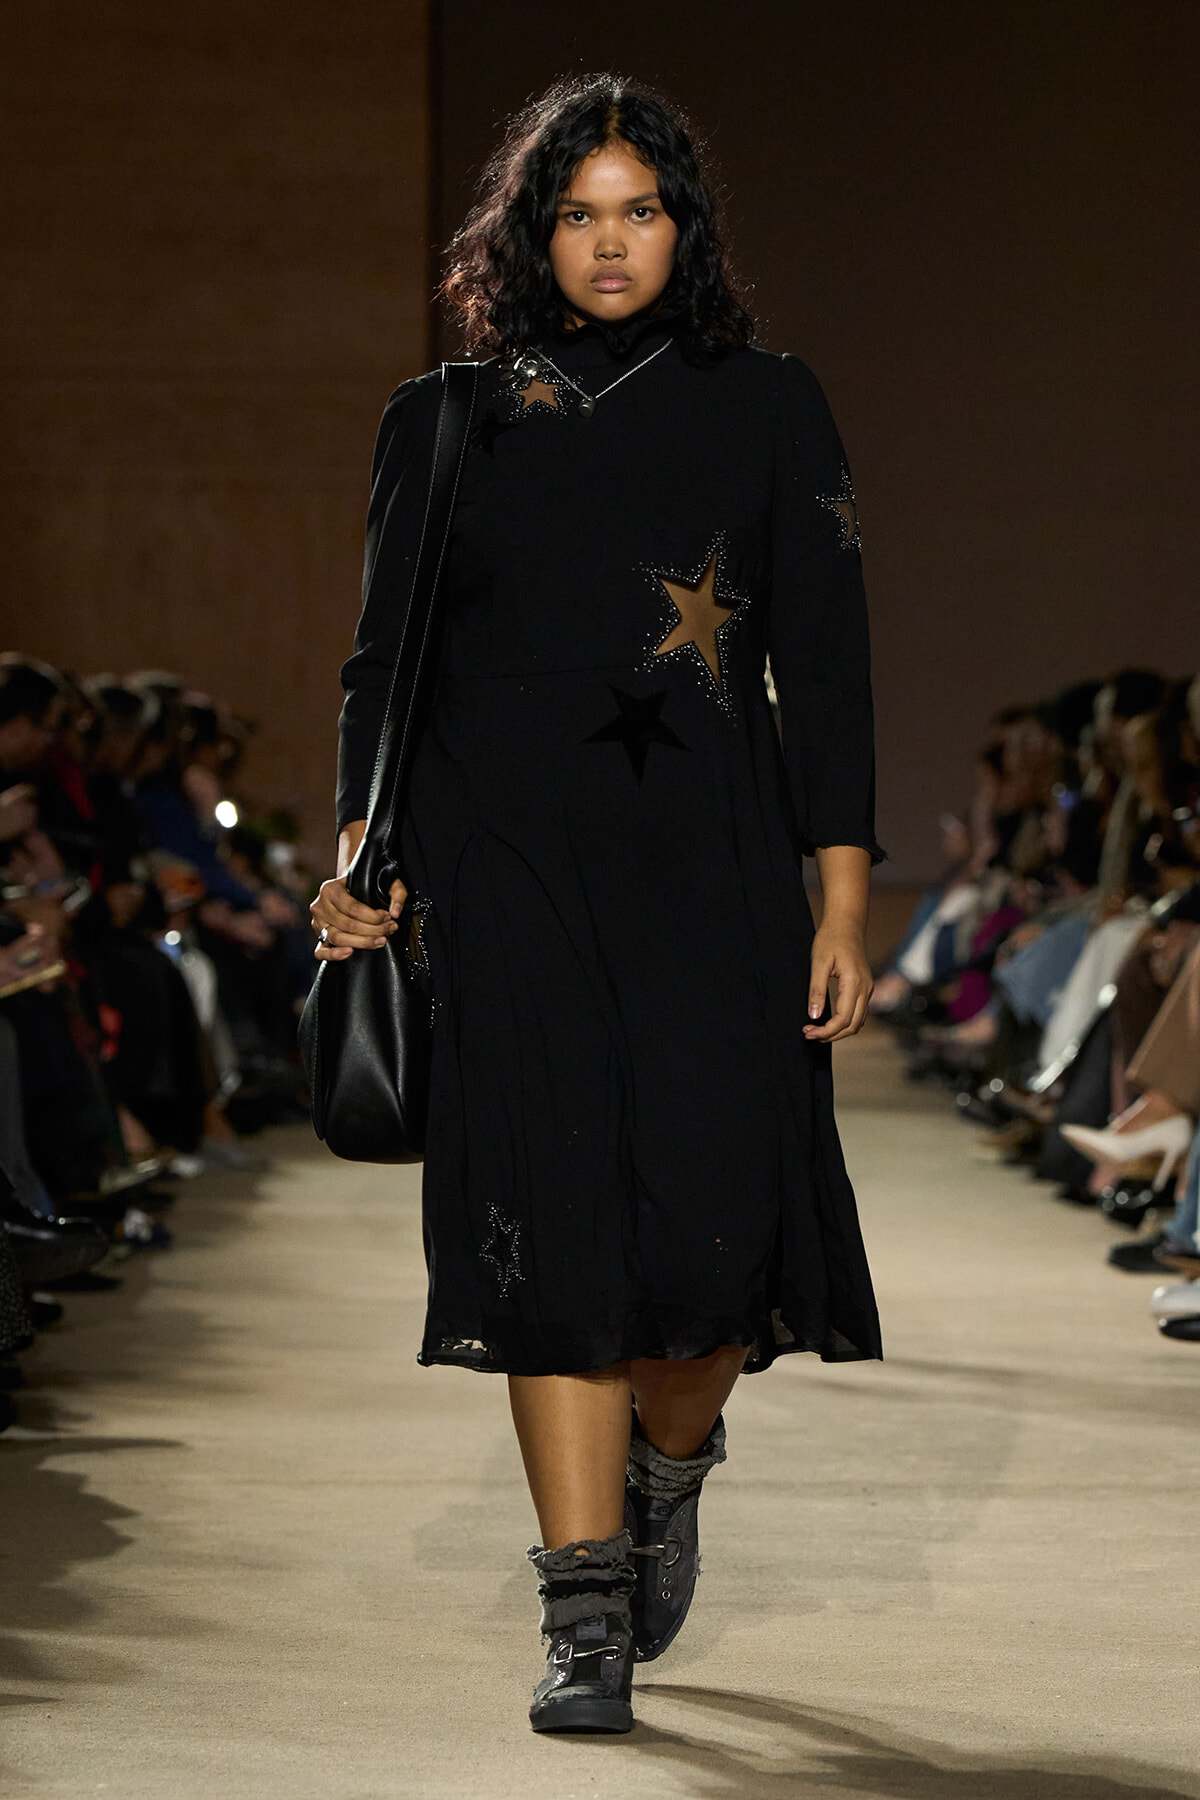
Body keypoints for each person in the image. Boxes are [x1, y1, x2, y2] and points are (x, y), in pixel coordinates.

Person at [309, 75, 886, 1735]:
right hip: (507, 876)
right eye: (578, 211)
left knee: (715, 1254)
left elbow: (829, 667)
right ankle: (584, 1611)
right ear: (530, 230)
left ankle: (668, 1465)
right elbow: (381, 668)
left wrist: (842, 902)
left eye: (640, 209)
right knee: (551, 1232)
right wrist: (365, 853)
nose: (610, 240)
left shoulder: (770, 404)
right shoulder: (448, 415)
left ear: (686, 228)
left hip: (714, 874)